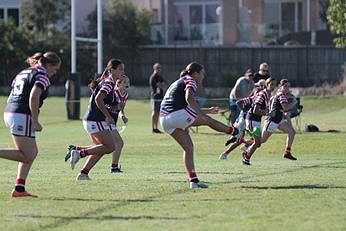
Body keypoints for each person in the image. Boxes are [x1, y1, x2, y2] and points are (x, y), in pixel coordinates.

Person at [160, 62, 239, 189]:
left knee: (188, 147)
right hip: (175, 115)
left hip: (164, 120)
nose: (203, 76)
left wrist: (207, 110)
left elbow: (187, 106)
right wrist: (203, 115)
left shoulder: (180, 80)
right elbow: (189, 99)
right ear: (195, 73)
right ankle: (235, 131)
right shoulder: (190, 80)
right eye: (202, 74)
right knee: (208, 121)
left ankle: (193, 181)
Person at [0, 52, 61, 197]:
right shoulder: (42, 74)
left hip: (11, 111)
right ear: (49, 65)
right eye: (55, 69)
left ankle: (19, 188)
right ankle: (18, 188)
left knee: (32, 152)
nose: (54, 73)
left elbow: (13, 93)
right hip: (22, 115)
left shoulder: (25, 71)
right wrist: (35, 120)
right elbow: (34, 96)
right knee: (27, 155)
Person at [65, 58, 125, 180]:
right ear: (111, 70)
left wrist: (115, 107)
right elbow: (98, 99)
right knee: (110, 146)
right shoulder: (108, 83)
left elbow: (103, 102)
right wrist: (108, 116)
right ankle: (79, 152)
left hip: (93, 120)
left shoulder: (109, 83)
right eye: (120, 69)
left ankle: (83, 173)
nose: (123, 72)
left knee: (101, 148)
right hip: (95, 120)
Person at [219, 80, 266, 160]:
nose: (261, 88)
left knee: (250, 140)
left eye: (263, 86)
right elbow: (239, 102)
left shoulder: (263, 97)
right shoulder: (253, 98)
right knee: (253, 140)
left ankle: (227, 152)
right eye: (259, 86)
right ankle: (242, 146)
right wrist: (244, 110)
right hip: (245, 120)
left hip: (251, 120)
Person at [242, 77, 277, 165]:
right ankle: (246, 157)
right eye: (271, 84)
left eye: (274, 85)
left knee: (257, 143)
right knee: (257, 142)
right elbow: (255, 110)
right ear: (267, 85)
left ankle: (246, 152)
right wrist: (267, 113)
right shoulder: (263, 94)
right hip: (251, 119)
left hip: (256, 121)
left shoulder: (268, 95)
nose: (273, 86)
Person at [261, 79, 297, 160]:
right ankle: (246, 144)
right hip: (272, 120)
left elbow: (272, 102)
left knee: (292, 132)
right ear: (280, 87)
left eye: (288, 86)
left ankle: (287, 152)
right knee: (261, 140)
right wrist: (294, 102)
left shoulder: (280, 94)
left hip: (278, 120)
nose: (287, 88)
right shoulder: (281, 95)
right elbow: (286, 108)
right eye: (285, 86)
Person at [109, 76, 130, 173]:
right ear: (118, 84)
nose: (127, 84)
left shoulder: (125, 95)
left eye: (128, 82)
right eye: (124, 82)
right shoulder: (113, 92)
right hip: (106, 121)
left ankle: (78, 151)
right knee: (118, 143)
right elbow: (107, 106)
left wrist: (123, 116)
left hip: (113, 121)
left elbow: (120, 110)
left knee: (107, 145)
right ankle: (114, 168)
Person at [149, 63, 166, 133]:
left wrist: (162, 86)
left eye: (160, 68)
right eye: (157, 68)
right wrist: (161, 85)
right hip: (155, 97)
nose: (159, 69)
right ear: (154, 69)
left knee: (158, 113)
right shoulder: (153, 77)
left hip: (160, 97)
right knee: (154, 112)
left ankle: (156, 128)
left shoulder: (160, 77)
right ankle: (153, 128)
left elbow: (164, 85)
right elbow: (159, 85)